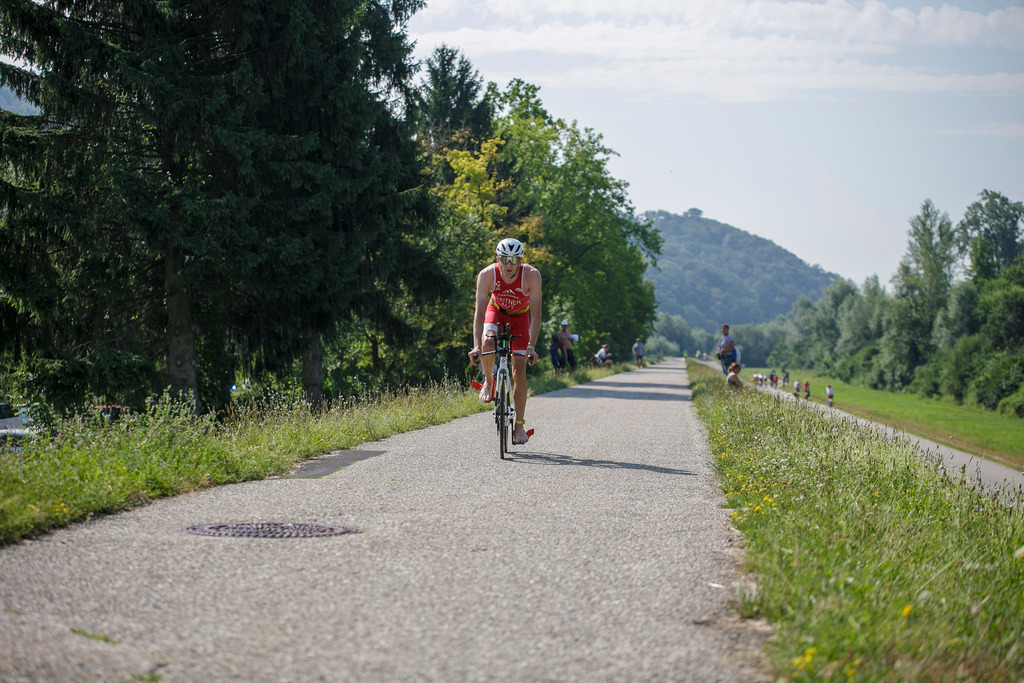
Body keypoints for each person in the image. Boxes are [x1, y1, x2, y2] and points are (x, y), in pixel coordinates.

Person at [468, 238, 542, 445]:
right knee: (488, 342)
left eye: (514, 259)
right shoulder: (486, 275)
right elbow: (479, 312)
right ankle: (489, 382)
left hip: (520, 318)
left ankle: (519, 426)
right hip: (496, 312)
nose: (509, 265)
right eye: (504, 259)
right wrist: (476, 345)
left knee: (519, 369)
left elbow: (536, 315)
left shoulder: (532, 276)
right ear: (497, 258)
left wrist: (531, 347)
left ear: (520, 260)